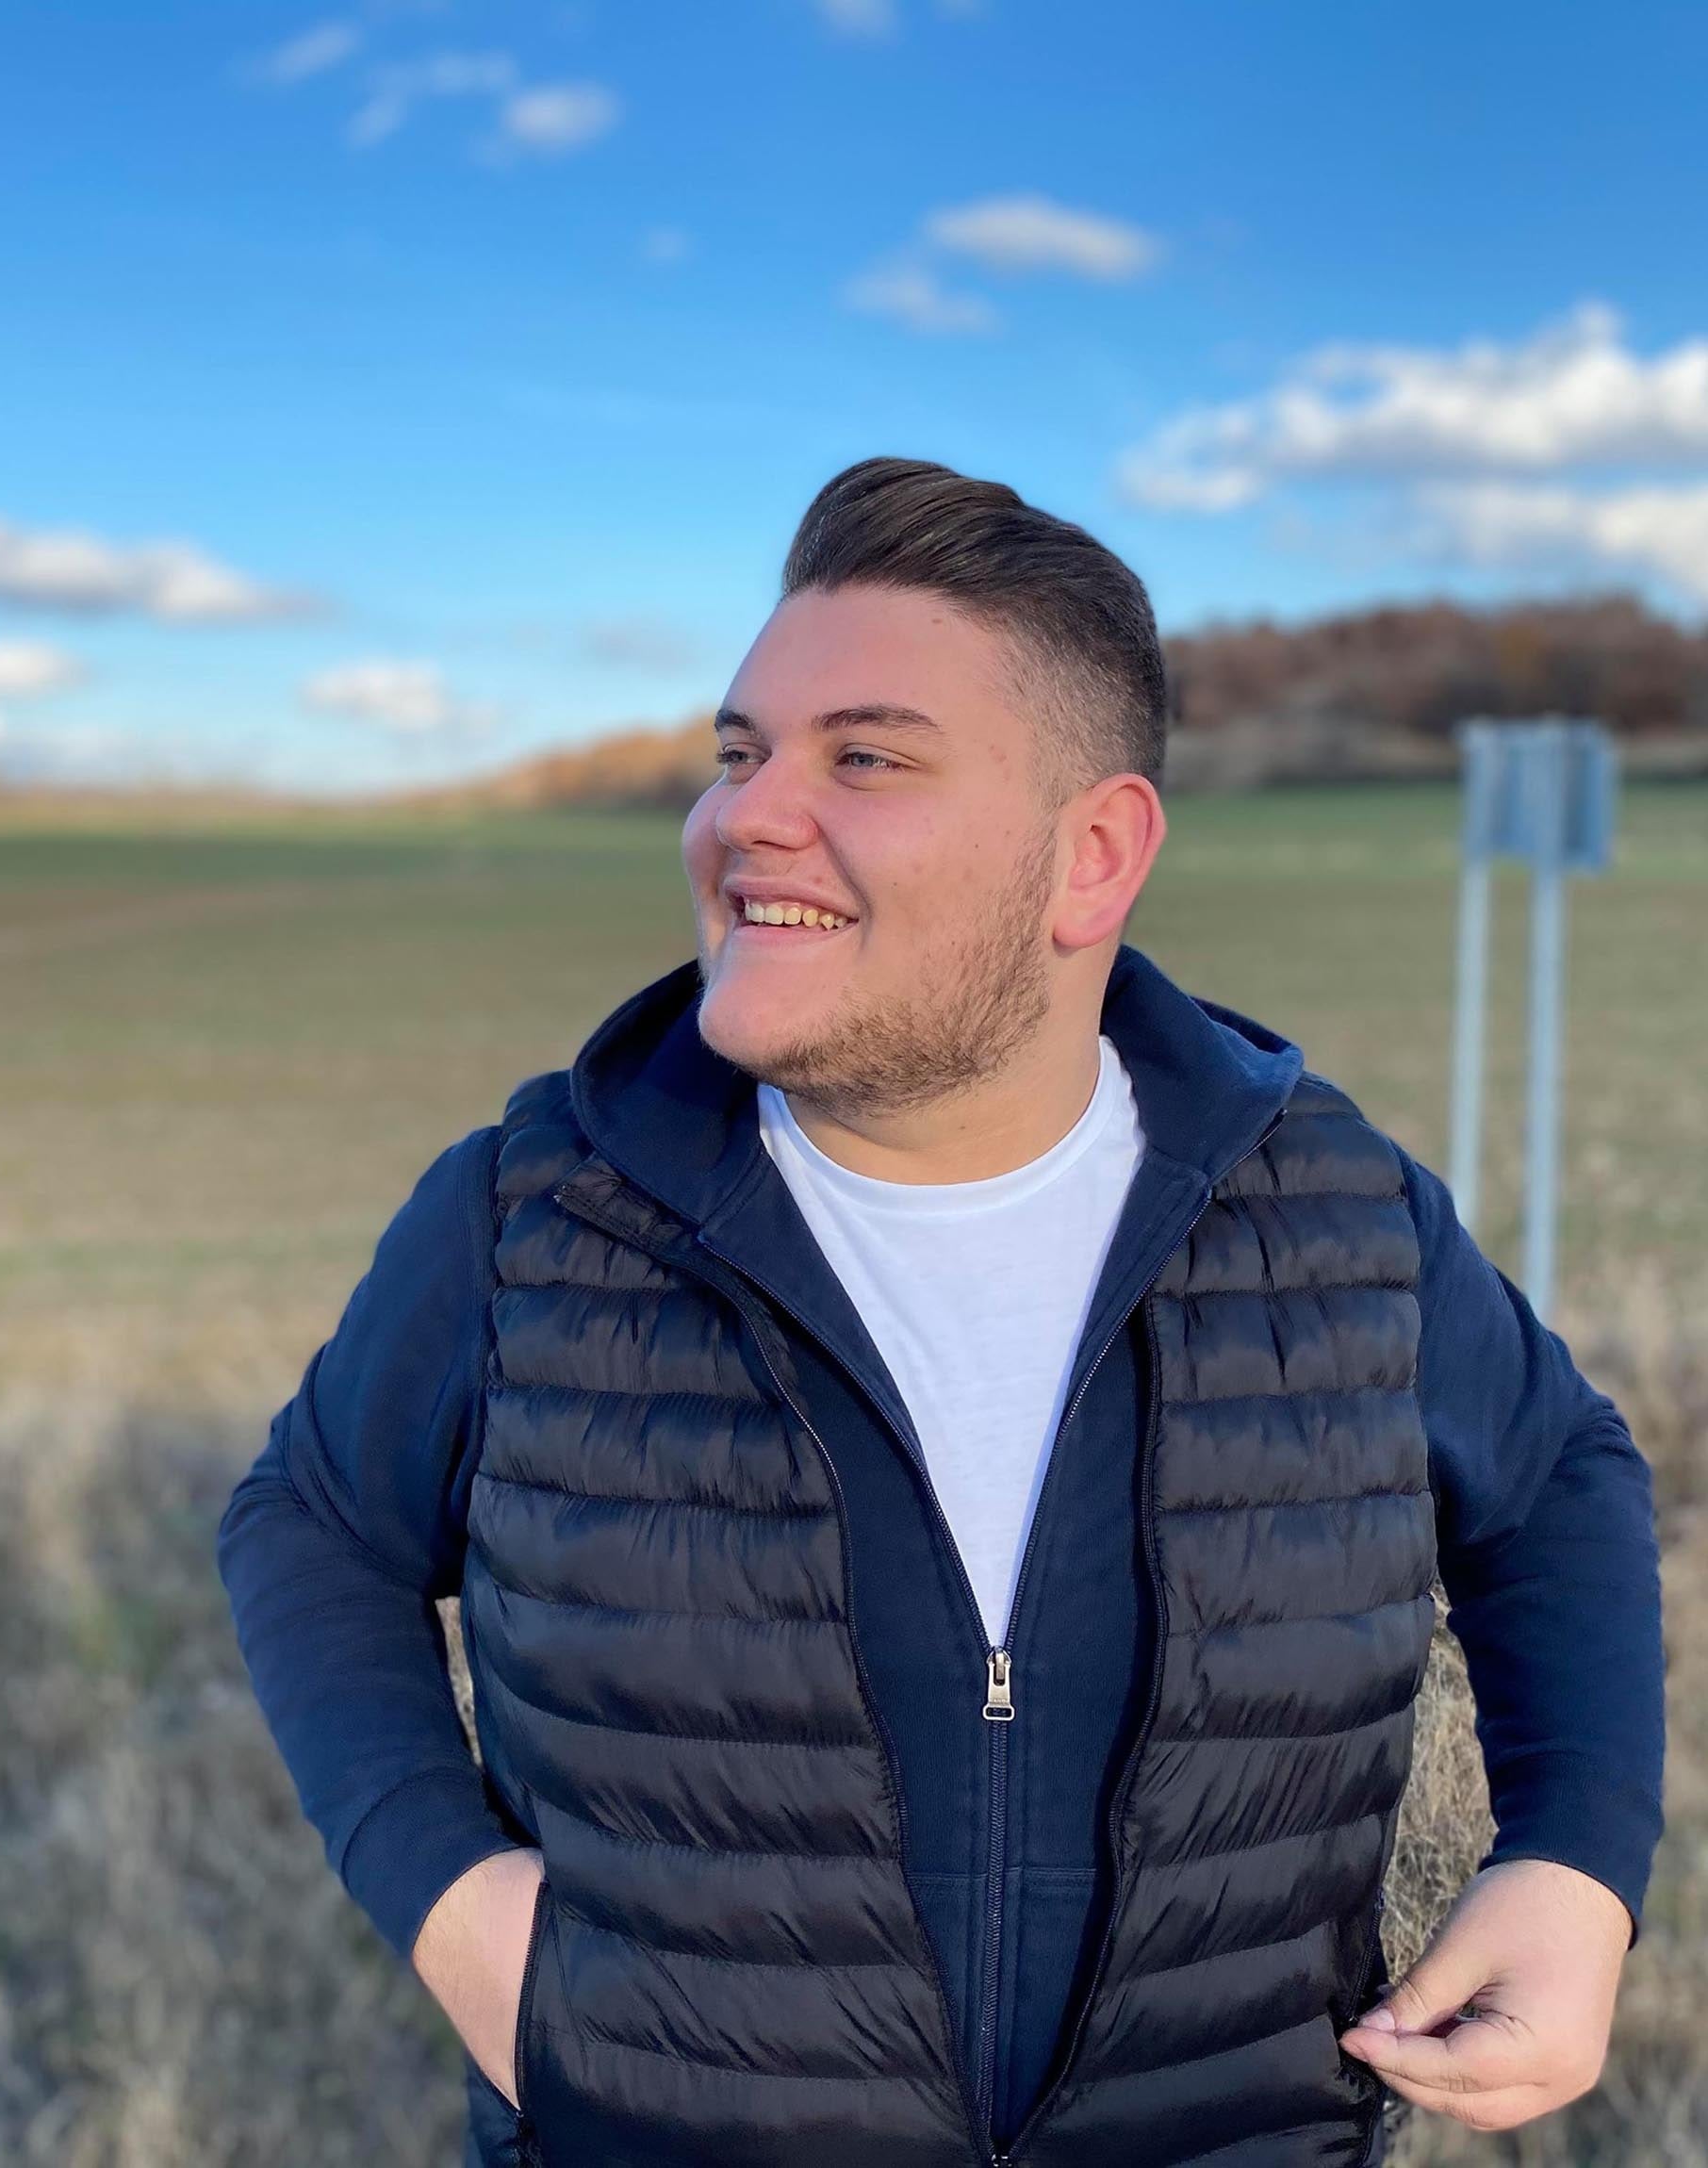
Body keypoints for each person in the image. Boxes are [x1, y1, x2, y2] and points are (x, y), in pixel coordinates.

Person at [217, 458, 1664, 2167]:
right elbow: (311, 1527)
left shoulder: (1329, 1212)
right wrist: (454, 1904)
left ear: (1093, 856)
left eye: (866, 758)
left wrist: (1576, 1862)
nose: (746, 816)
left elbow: (1558, 1478)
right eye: (740, 753)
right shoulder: (534, 1215)